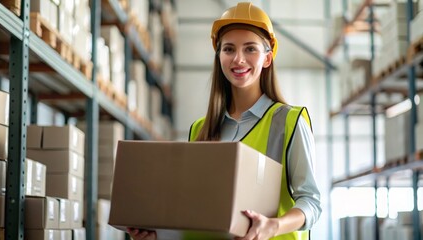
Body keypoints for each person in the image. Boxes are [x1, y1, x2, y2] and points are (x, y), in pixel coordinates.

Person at [128, 2, 321, 240]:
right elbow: (195, 214)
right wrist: (159, 235)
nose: (238, 59)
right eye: (229, 49)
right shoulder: (200, 129)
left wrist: (273, 225)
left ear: (268, 58)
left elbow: (311, 202)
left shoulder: (290, 122)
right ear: (219, 56)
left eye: (250, 49)